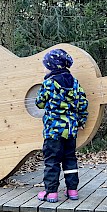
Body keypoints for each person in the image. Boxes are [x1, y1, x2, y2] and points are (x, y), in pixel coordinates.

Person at [35, 48, 89, 203]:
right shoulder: (74, 83)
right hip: (70, 131)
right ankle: (72, 190)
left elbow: (39, 102)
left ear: (53, 66)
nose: (44, 68)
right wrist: (81, 121)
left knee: (51, 161)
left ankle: (51, 192)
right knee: (69, 159)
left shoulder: (49, 83)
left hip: (53, 132)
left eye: (45, 65)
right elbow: (83, 103)